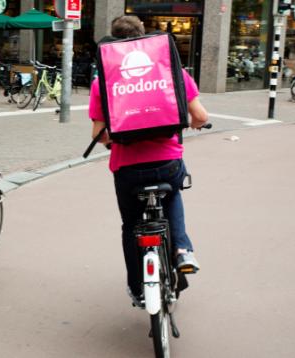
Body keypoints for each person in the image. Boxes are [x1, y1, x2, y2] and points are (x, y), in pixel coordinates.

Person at [88, 16, 209, 305]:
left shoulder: (102, 81)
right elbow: (201, 116)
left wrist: (116, 134)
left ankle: (137, 288)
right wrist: (193, 124)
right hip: (167, 162)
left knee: (130, 225)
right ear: (144, 37)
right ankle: (181, 250)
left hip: (127, 169)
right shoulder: (173, 71)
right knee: (173, 194)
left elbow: (99, 135)